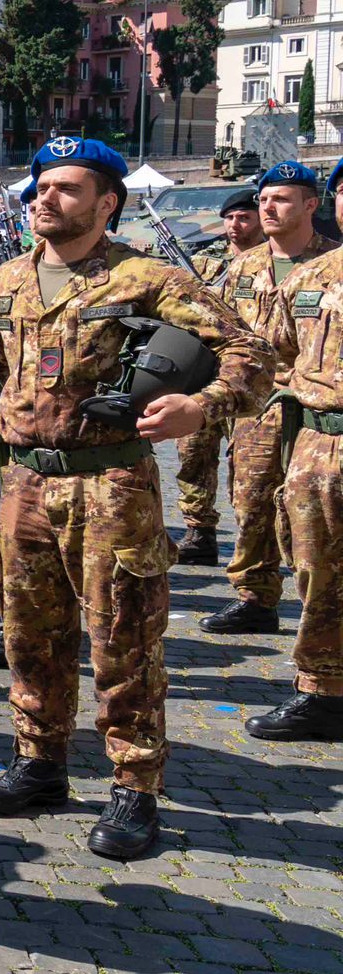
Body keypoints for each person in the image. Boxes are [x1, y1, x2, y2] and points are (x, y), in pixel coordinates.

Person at [0, 137, 267, 860]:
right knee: (28, 634)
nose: (46, 197)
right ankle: (40, 763)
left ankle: (135, 787)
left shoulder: (145, 278)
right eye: (40, 185)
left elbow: (251, 354)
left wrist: (203, 406)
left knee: (124, 640)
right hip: (24, 483)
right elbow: (1, 369)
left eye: (67, 188)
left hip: (111, 482)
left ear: (107, 203)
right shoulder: (6, 281)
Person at [201, 162, 336, 636]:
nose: (268, 207)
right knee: (251, 497)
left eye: (280, 199)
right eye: (263, 199)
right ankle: (255, 596)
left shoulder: (330, 263)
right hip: (256, 406)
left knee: (309, 510)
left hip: (311, 407)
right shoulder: (243, 267)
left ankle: (317, 603)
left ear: (310, 205)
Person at [244, 161, 343, 740]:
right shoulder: (311, 277)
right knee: (317, 568)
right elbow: (269, 351)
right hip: (319, 442)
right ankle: (323, 691)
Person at [174, 187, 264, 564]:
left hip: (252, 379)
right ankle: (200, 532)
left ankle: (258, 546)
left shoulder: (273, 263)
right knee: (193, 454)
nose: (234, 224)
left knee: (249, 465)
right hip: (206, 374)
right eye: (229, 218)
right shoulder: (207, 262)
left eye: (243, 217)